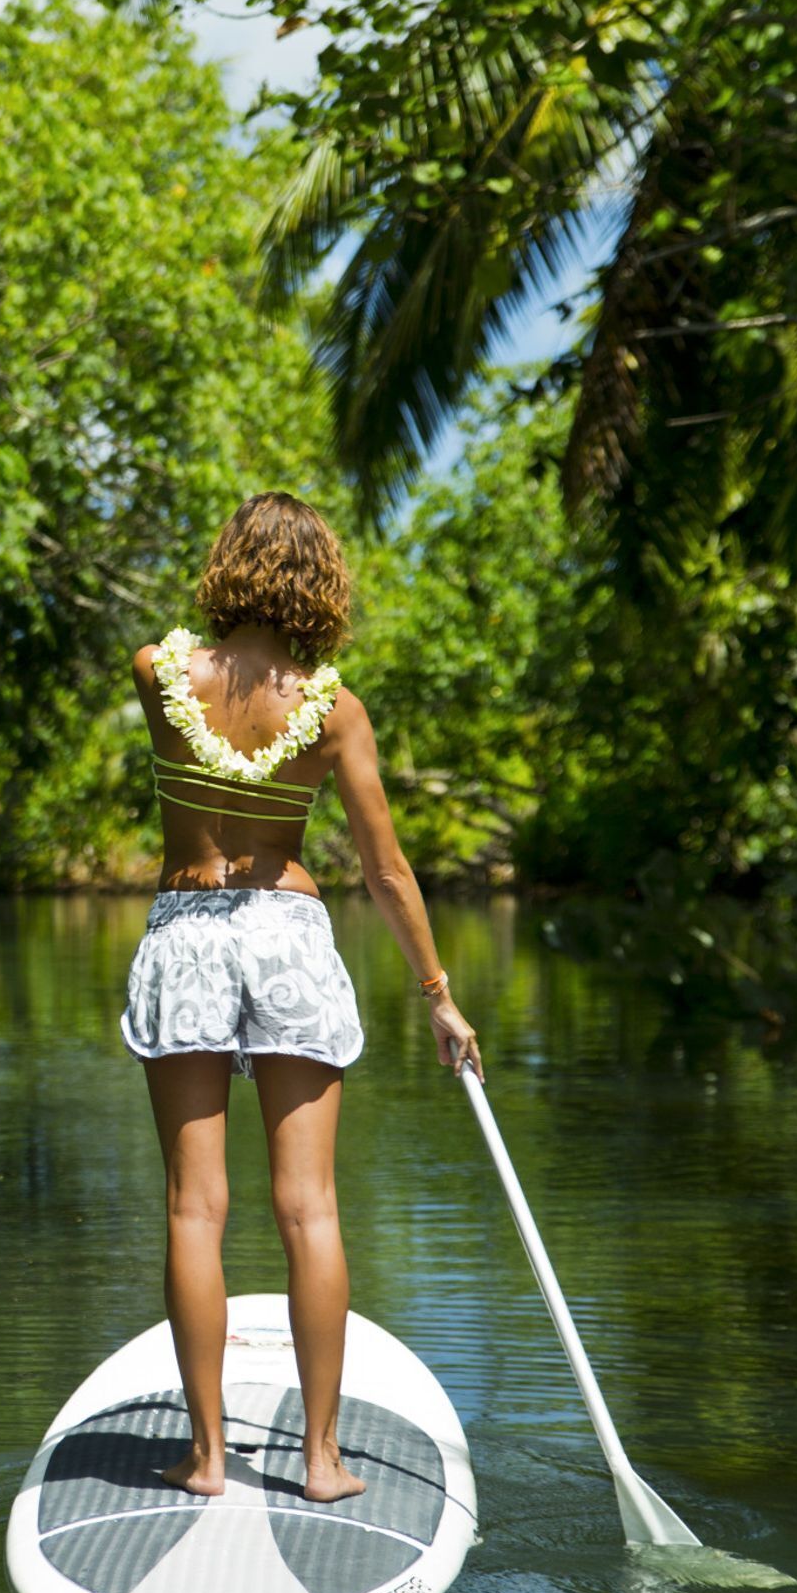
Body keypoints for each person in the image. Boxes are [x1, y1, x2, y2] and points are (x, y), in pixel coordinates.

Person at [123, 493, 481, 1505]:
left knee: (195, 1207)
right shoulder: (333, 709)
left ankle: (205, 1461)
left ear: (227, 566)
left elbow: (177, 668)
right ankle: (320, 1465)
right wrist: (437, 996)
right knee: (307, 1207)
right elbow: (386, 867)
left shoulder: (159, 677)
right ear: (319, 582)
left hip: (187, 932)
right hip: (286, 931)